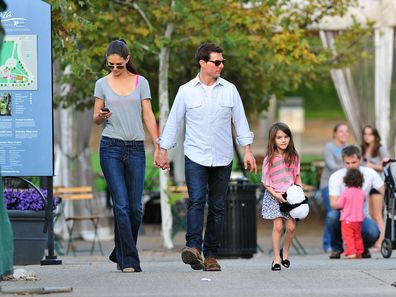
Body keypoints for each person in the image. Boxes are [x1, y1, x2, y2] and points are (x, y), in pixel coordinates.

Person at [156, 43, 257, 272]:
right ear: (202, 62)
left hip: (223, 157)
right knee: (197, 200)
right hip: (195, 155)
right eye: (217, 62)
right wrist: (164, 150)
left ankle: (211, 255)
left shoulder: (230, 89)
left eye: (222, 62)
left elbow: (240, 121)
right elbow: (174, 122)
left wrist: (248, 150)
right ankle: (193, 248)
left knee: (218, 207)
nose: (221, 66)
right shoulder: (186, 91)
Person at [93, 39, 159, 273]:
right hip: (110, 147)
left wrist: (159, 146)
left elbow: (148, 115)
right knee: (120, 205)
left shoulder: (141, 83)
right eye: (110, 65)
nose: (115, 69)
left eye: (119, 65)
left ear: (127, 59)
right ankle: (129, 259)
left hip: (136, 149)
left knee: (135, 209)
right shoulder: (102, 83)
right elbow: (96, 117)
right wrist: (102, 115)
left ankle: (119, 250)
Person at [328, 145, 383, 259]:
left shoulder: (369, 173)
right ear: (343, 162)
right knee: (332, 216)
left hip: (361, 216)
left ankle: (360, 249)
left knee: (374, 232)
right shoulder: (335, 177)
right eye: (347, 163)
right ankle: (337, 248)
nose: (351, 166)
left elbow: (383, 189)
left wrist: (383, 167)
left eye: (354, 162)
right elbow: (333, 204)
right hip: (344, 215)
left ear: (360, 159)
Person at [261, 122, 303, 271]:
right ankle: (276, 259)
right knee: (278, 226)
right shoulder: (269, 159)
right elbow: (265, 181)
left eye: (286, 137)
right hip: (274, 195)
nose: (283, 140)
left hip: (291, 196)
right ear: (273, 140)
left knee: (291, 228)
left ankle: (285, 252)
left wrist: (300, 192)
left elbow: (296, 176)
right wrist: (275, 194)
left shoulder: (294, 157)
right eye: (279, 137)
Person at [319, 123, 349, 253]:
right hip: (328, 186)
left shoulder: (348, 148)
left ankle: (342, 242)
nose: (344, 134)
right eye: (341, 131)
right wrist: (346, 167)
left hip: (344, 187)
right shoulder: (329, 147)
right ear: (335, 133)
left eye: (346, 131)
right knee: (332, 213)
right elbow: (331, 165)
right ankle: (327, 244)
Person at [361, 125, 388, 251]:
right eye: (365, 134)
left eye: (370, 134)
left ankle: (381, 242)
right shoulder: (362, 149)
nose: (367, 136)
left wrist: (371, 166)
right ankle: (373, 240)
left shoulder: (380, 149)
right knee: (370, 214)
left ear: (375, 136)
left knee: (377, 214)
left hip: (378, 184)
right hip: (366, 184)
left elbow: (386, 167)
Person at [335, 168, 365, 259]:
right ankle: (359, 252)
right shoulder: (362, 192)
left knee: (348, 237)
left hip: (347, 220)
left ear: (346, 179)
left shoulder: (346, 192)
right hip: (358, 220)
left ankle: (351, 252)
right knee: (357, 236)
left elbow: (339, 204)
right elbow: (363, 201)